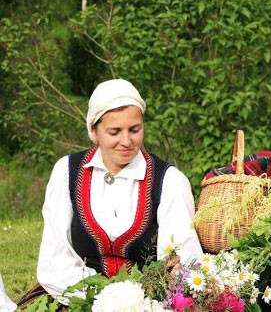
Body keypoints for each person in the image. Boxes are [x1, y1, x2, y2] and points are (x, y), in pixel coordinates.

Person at [18, 79, 203, 307]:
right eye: (114, 132)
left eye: (135, 130)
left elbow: (183, 258)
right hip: (77, 299)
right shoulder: (67, 172)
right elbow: (54, 259)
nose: (126, 141)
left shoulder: (169, 181)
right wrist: (101, 301)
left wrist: (139, 303)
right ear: (93, 131)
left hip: (149, 303)